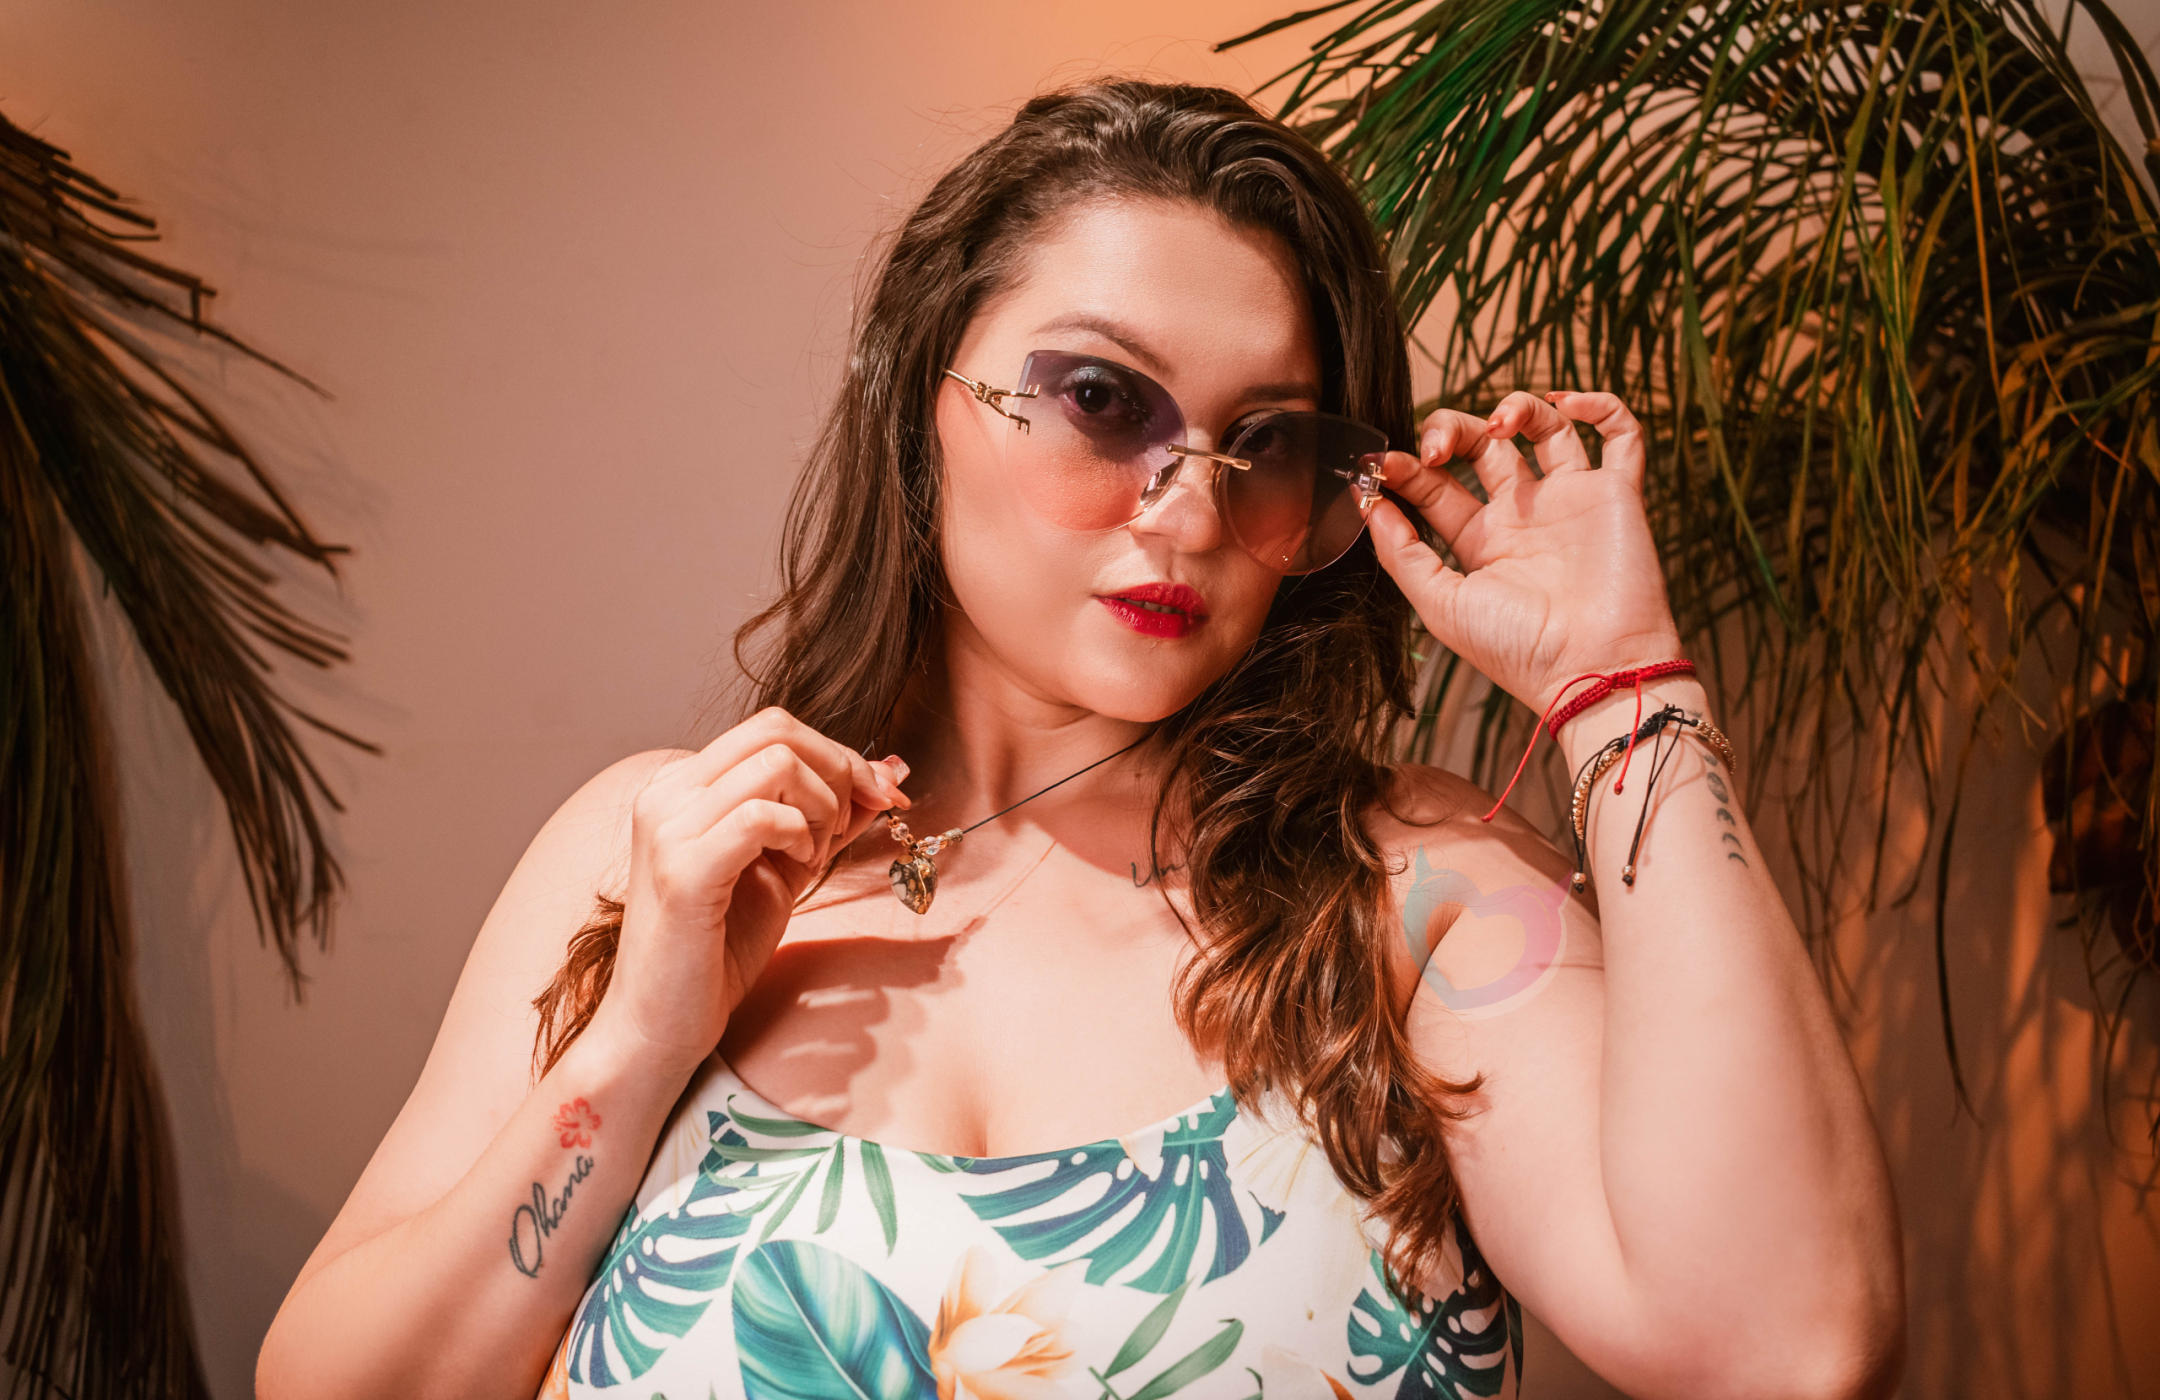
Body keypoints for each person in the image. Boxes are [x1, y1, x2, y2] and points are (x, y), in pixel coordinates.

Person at [257, 76, 1904, 1400]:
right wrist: (636, 1045)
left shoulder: (1417, 895)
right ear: (919, 391)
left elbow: (1788, 1348)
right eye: (1106, 401)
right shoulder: (659, 848)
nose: (1187, 508)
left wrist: (1624, 683)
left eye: (1268, 442)